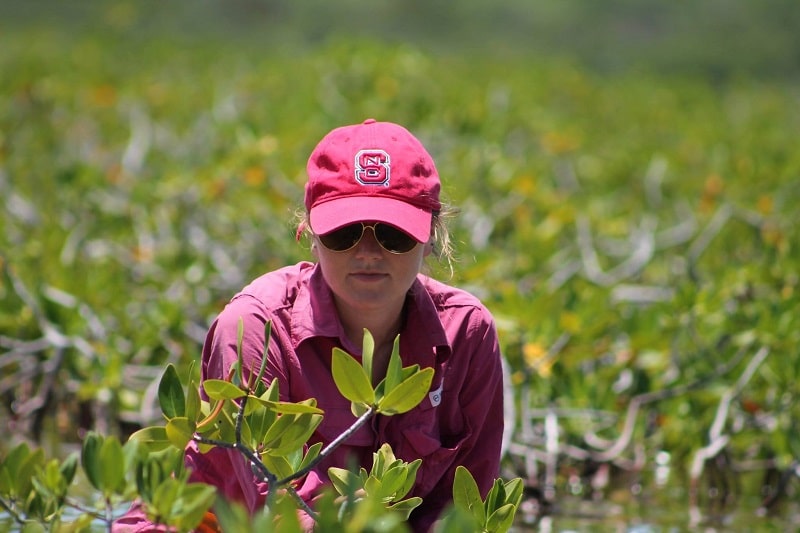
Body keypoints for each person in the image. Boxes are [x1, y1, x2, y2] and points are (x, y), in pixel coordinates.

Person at [116, 119, 505, 532]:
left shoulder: (468, 333)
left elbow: (465, 510)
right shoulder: (254, 327)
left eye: (393, 234)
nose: (369, 252)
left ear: (431, 234)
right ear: (311, 232)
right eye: (345, 233)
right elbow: (276, 511)